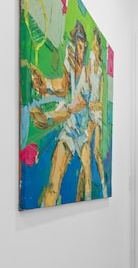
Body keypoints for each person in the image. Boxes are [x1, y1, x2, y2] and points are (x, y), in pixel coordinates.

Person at [29, 20, 92, 206]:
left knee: (87, 181)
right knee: (53, 182)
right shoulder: (70, 58)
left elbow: (75, 106)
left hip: (82, 133)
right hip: (69, 129)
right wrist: (46, 85)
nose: (80, 52)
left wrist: (50, 117)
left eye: (83, 47)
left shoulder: (87, 76)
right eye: (78, 46)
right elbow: (63, 87)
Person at [80, 28, 108, 200]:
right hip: (89, 112)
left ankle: (103, 185)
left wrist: (96, 106)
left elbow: (101, 99)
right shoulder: (90, 63)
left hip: (97, 114)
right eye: (94, 44)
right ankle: (86, 191)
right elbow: (87, 86)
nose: (95, 47)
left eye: (96, 44)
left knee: (96, 153)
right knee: (86, 152)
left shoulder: (101, 72)